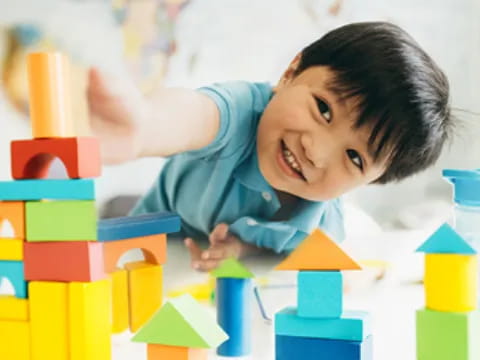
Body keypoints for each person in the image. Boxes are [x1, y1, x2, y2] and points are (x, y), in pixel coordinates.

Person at [88, 22, 452, 271]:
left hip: (198, 257)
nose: (317, 152)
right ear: (290, 72)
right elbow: (194, 115)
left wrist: (242, 247)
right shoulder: (243, 111)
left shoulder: (320, 228)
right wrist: (143, 124)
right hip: (154, 221)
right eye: (323, 108)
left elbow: (282, 245)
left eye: (354, 157)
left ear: (369, 182)